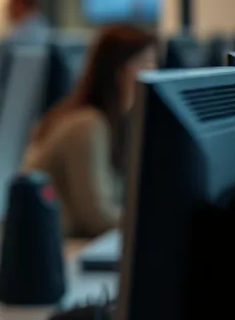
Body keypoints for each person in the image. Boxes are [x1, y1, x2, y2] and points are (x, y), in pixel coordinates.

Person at [23, 24, 157, 239]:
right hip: (64, 249)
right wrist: (157, 224)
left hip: (75, 244)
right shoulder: (87, 125)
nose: (152, 72)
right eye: (144, 62)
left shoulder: (114, 123)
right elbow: (97, 218)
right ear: (118, 69)